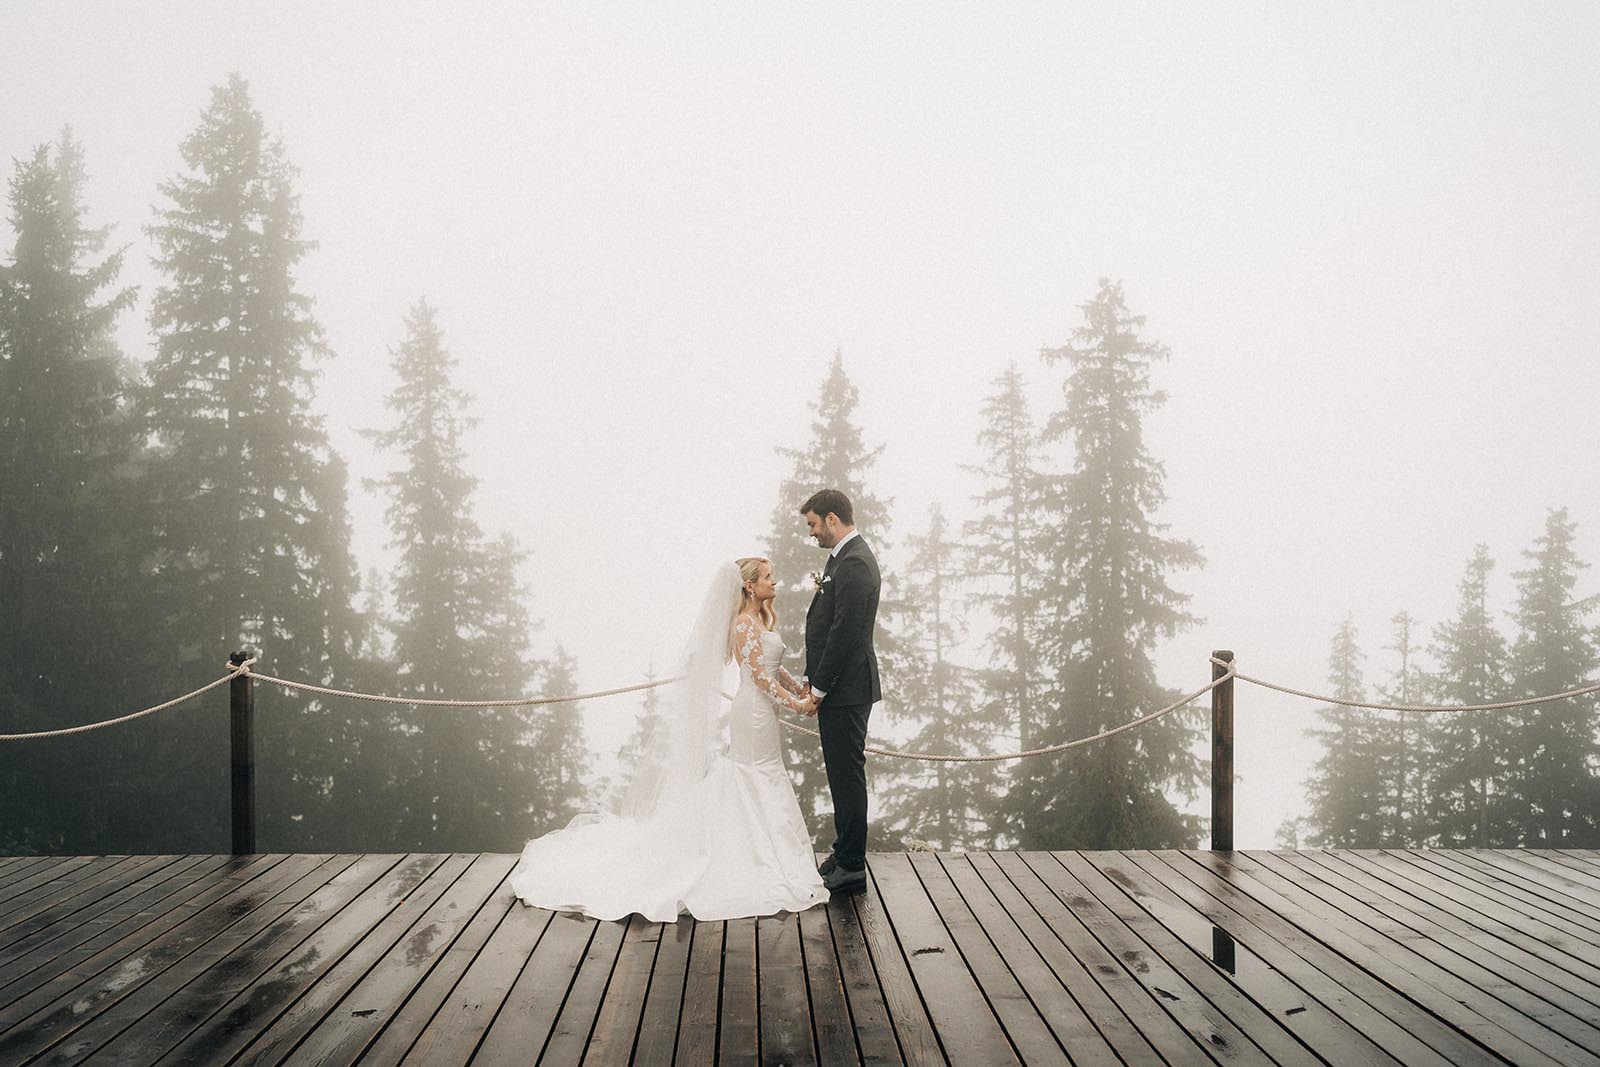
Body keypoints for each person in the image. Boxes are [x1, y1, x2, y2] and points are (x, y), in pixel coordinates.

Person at [508, 557, 827, 921]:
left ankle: (771, 853)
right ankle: (756, 857)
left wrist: (800, 689)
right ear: (750, 586)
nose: (775, 582)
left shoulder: (760, 621)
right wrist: (798, 705)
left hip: (766, 714)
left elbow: (774, 668)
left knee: (765, 775)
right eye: (768, 577)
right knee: (753, 776)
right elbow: (757, 676)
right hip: (753, 713)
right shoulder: (742, 623)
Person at [800, 489, 882, 894]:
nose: (811, 533)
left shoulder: (856, 563)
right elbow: (825, 624)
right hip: (839, 687)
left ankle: (851, 865)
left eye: (813, 524)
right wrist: (810, 675)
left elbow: (844, 632)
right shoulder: (841, 559)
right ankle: (843, 850)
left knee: (847, 776)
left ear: (832, 518)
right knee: (840, 774)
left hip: (847, 688)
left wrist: (819, 688)